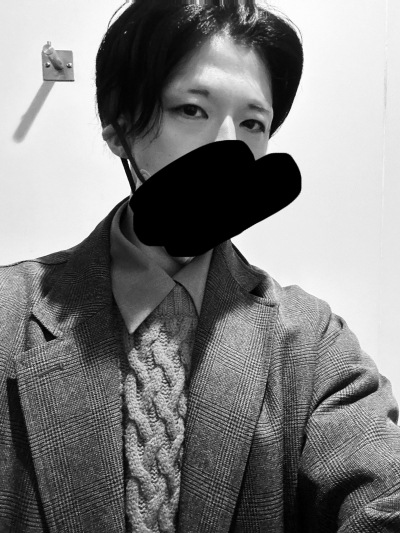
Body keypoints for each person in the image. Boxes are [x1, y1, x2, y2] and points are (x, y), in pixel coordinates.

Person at [1, 1, 399, 532]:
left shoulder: (312, 341)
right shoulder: (7, 315)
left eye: (253, 122)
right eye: (192, 110)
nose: (230, 146)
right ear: (119, 128)